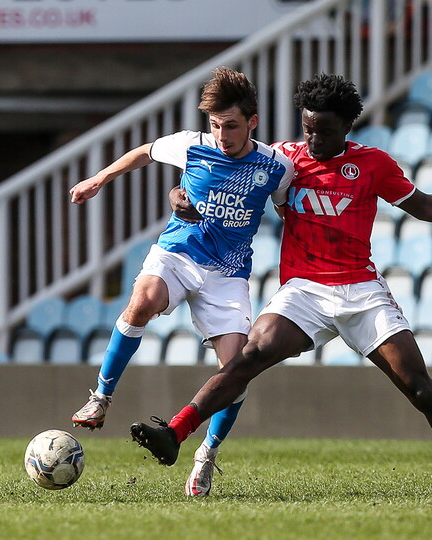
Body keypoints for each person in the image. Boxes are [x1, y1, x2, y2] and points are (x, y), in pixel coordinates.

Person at [130, 73, 432, 494]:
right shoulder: (283, 160)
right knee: (248, 356)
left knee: (419, 388)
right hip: (304, 291)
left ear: (347, 128)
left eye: (324, 132)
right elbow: (212, 176)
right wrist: (176, 194)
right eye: (308, 128)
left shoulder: (373, 164)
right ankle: (176, 433)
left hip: (362, 291)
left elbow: (420, 205)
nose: (313, 140)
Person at [68, 67, 294, 496]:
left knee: (237, 371)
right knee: (141, 302)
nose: (222, 135)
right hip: (178, 252)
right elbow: (145, 152)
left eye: (230, 125)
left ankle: (206, 455)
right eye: (216, 125)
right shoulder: (193, 145)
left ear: (253, 121)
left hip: (227, 274)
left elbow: (287, 211)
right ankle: (101, 397)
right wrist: (99, 179)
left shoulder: (275, 166)